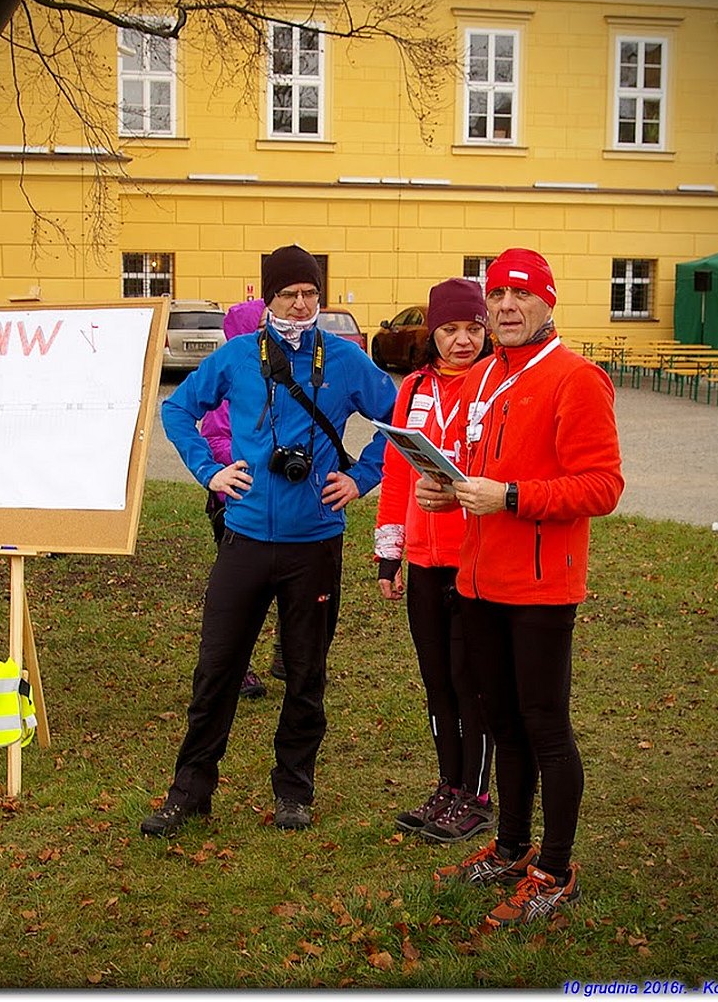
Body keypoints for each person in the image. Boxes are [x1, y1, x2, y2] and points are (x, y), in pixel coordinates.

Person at [142, 244, 397, 836]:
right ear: (269, 299)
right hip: (245, 539)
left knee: (305, 674)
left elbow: (401, 418)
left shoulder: (345, 360)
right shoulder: (235, 357)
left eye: (310, 293)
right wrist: (211, 472)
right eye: (288, 294)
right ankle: (190, 792)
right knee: (216, 670)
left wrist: (361, 478)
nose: (301, 304)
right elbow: (177, 410)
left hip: (316, 544)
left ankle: (294, 792)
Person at [421, 248, 624, 926]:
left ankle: (556, 870)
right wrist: (446, 492)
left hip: (541, 587)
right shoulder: (482, 376)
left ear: (547, 302)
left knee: (544, 729)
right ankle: (509, 848)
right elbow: (476, 469)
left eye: (521, 294)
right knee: (502, 723)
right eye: (498, 295)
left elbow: (603, 486)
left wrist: (509, 495)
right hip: (477, 580)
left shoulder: (576, 378)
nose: (506, 306)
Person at [374, 278, 494, 842]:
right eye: (450, 329)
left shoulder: (496, 384)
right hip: (424, 555)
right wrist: (389, 555)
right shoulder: (415, 386)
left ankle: (477, 793)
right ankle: (449, 784)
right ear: (433, 333)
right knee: (437, 679)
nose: (463, 340)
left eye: (474, 328)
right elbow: (397, 473)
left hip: (478, 555)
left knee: (473, 679)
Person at [199, 297, 283, 698]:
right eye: (266, 322)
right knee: (239, 595)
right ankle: (239, 667)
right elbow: (212, 436)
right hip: (234, 502)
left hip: (280, 503)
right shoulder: (232, 381)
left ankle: (286, 653)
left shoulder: (283, 372)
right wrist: (242, 458)